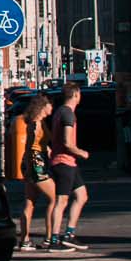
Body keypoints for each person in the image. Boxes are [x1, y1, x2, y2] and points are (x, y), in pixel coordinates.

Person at [5, 93, 56, 251]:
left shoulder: (40, 123)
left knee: (30, 201)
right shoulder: (35, 124)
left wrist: (49, 152)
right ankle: (49, 238)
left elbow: (42, 144)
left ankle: (25, 240)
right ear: (43, 106)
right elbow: (29, 146)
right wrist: (28, 165)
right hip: (36, 164)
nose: (52, 108)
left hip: (34, 162)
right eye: (50, 105)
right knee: (55, 199)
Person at [46, 84, 90, 251]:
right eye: (80, 94)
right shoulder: (67, 114)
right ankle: (55, 239)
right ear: (76, 95)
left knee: (82, 195)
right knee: (61, 201)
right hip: (64, 162)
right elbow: (67, 142)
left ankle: (69, 235)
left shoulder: (61, 112)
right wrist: (81, 152)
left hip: (69, 162)